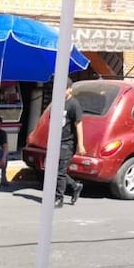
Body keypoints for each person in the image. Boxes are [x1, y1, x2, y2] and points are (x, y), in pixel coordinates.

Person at [56, 80, 86, 209]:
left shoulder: (74, 105)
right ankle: (75, 186)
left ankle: (59, 198)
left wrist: (81, 144)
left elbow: (78, 124)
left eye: (64, 89)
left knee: (60, 172)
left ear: (70, 90)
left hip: (68, 143)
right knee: (54, 171)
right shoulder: (58, 103)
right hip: (57, 141)